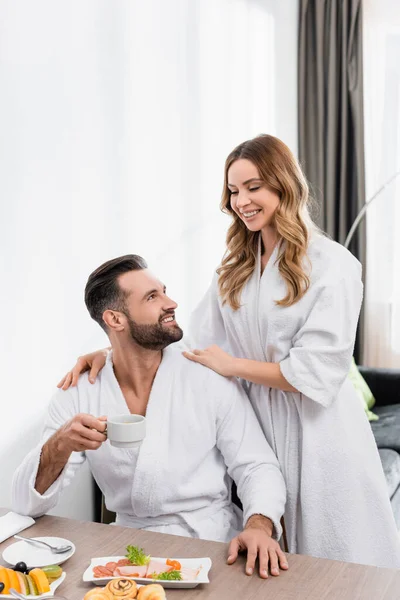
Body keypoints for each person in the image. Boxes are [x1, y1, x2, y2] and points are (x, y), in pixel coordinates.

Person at [59, 136, 400, 569]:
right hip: (259, 421)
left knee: (336, 561)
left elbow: (317, 372)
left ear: (284, 185)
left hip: (319, 431)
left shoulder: (334, 265)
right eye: (234, 191)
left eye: (253, 187)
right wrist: (111, 351)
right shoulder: (238, 267)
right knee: (276, 564)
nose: (242, 201)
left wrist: (233, 365)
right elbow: (188, 337)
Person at [12, 254, 289, 579]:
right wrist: (60, 444)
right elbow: (25, 504)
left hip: (214, 544)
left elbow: (256, 464)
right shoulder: (79, 391)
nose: (170, 302)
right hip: (130, 550)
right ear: (115, 319)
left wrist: (258, 525)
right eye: (152, 297)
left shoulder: (207, 376)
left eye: (164, 291)